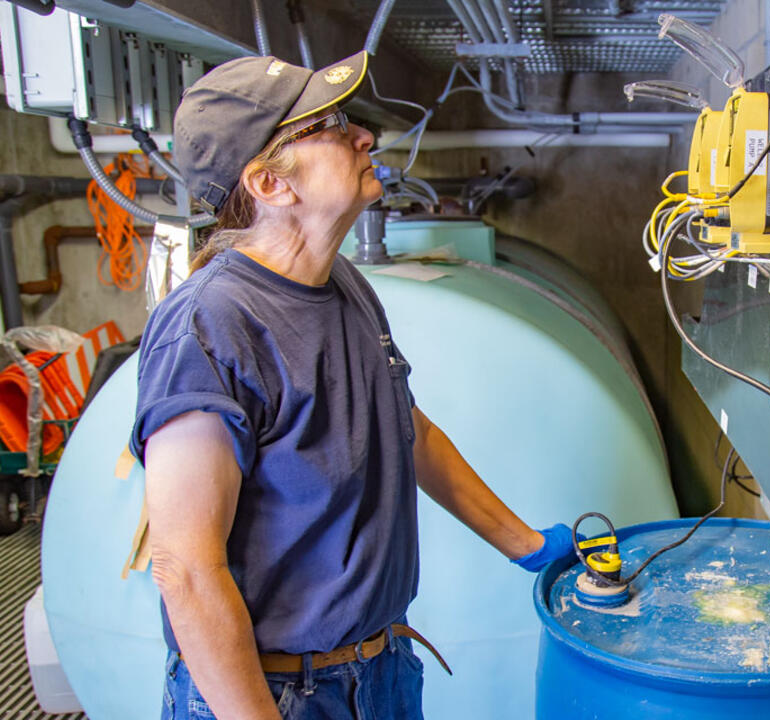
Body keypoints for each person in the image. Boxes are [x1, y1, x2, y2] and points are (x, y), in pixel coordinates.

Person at [130, 51, 576, 720]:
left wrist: (526, 544)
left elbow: (405, 428)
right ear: (270, 183)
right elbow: (187, 572)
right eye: (330, 124)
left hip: (380, 671)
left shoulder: (343, 284)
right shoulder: (211, 324)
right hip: (275, 694)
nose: (364, 135)